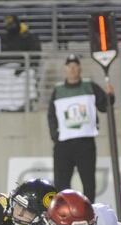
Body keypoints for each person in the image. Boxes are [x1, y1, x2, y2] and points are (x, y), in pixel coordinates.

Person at [47, 54, 114, 202]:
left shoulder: (89, 86)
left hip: (85, 142)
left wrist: (110, 96)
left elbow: (104, 106)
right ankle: (63, 210)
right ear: (65, 69)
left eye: (75, 66)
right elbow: (51, 115)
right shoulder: (58, 90)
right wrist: (55, 136)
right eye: (69, 66)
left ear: (80, 68)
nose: (72, 69)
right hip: (64, 143)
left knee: (88, 182)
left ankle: (88, 211)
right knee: (61, 183)